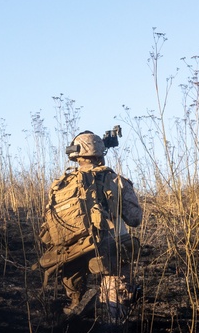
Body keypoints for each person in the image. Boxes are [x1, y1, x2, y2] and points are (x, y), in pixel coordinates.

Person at [39, 129, 142, 322]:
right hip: (111, 247)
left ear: (75, 155)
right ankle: (114, 323)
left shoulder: (61, 185)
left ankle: (76, 312)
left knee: (76, 297)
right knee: (116, 294)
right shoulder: (115, 180)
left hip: (73, 250)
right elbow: (135, 219)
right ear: (100, 153)